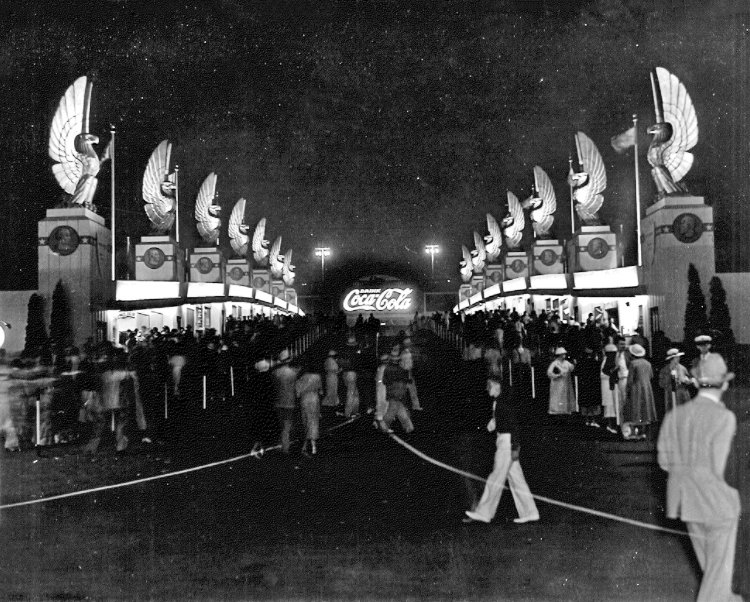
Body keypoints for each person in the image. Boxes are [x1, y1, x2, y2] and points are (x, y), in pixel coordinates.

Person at [657, 354, 742, 602]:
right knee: (718, 576)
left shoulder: (675, 416)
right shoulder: (724, 417)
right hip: (719, 503)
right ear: (724, 384)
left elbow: (665, 462)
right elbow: (723, 467)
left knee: (714, 573)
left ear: (695, 382)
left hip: (688, 504)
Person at [464, 377, 539, 524]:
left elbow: (514, 426)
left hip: (506, 443)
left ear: (498, 386)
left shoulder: (503, 403)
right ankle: (531, 512)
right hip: (504, 440)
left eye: (490, 385)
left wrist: (515, 447)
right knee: (517, 479)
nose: (488, 388)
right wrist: (492, 425)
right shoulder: (499, 402)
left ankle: (484, 513)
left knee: (495, 477)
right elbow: (500, 421)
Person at [623, 344, 656, 440]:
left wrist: (627, 390)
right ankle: (642, 432)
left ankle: (634, 432)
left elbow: (630, 380)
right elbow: (651, 376)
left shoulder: (633, 364)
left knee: (635, 409)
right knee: (645, 409)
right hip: (647, 388)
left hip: (636, 388)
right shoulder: (648, 364)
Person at [381, 347, 414, 434]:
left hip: (393, 393)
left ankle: (408, 426)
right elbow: (408, 380)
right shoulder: (402, 369)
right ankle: (383, 425)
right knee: (392, 411)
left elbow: (385, 381)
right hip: (399, 392)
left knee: (400, 410)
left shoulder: (388, 368)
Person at [272, 349, 299, 454]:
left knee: (281, 424)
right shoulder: (293, 373)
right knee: (287, 424)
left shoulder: (275, 373)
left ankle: (280, 444)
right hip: (290, 401)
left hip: (278, 400)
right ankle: (285, 445)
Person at [295, 370, 323, 456]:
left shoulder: (299, 380)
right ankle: (313, 446)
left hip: (305, 400)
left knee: (306, 421)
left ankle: (307, 443)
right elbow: (321, 391)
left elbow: (298, 394)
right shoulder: (317, 376)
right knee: (314, 421)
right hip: (314, 399)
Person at [658, 348, 691, 414]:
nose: (679, 358)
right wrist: (669, 380)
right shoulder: (665, 370)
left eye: (678, 357)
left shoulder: (682, 368)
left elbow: (688, 378)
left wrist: (687, 380)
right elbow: (661, 383)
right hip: (670, 394)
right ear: (672, 359)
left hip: (682, 394)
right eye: (677, 357)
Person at [547, 347, 576, 419]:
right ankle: (556, 412)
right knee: (557, 397)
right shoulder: (554, 363)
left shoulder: (566, 363)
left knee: (564, 397)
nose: (564, 355)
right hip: (557, 384)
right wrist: (558, 375)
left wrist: (574, 364)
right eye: (563, 354)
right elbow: (549, 373)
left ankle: (564, 411)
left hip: (565, 384)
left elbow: (571, 368)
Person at [577, 346, 602, 427]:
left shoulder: (580, 363)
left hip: (584, 386)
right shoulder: (596, 363)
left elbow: (576, 372)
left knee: (585, 403)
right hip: (593, 385)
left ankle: (587, 420)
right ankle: (593, 420)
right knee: (594, 403)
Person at [599, 344, 619, 434]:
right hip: (608, 387)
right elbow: (604, 374)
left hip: (610, 387)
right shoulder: (607, 362)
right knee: (610, 407)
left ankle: (612, 425)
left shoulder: (606, 361)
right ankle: (610, 425)